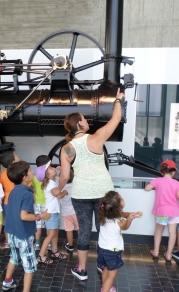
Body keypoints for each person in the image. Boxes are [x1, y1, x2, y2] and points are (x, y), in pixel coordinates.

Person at [55, 87, 125, 281]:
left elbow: (65, 176)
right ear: (80, 123)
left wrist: (57, 189)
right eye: (84, 119)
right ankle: (103, 265)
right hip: (104, 192)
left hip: (81, 193)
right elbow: (116, 119)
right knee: (105, 227)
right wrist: (118, 100)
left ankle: (82, 269)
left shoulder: (66, 149)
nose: (87, 121)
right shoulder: (96, 138)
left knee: (84, 230)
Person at [1, 161, 50, 292]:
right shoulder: (27, 194)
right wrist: (42, 216)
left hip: (12, 232)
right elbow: (24, 216)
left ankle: (7, 281)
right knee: (29, 265)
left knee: (14, 258)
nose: (32, 173)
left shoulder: (14, 191)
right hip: (23, 234)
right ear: (24, 177)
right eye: (30, 171)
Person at [97, 191, 142, 292]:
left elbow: (122, 214)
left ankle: (105, 285)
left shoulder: (104, 214)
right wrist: (130, 219)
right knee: (112, 274)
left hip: (102, 249)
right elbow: (126, 226)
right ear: (118, 207)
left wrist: (130, 214)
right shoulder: (119, 221)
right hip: (112, 251)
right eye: (121, 198)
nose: (123, 198)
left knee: (106, 268)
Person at [145, 160, 179, 262]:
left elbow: (147, 188)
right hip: (174, 212)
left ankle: (156, 252)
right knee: (172, 232)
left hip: (162, 211)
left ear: (162, 171)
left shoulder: (158, 180)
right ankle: (169, 254)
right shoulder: (177, 183)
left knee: (158, 231)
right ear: (174, 172)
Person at [37, 162, 67, 264]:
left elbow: (63, 179)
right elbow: (58, 195)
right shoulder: (50, 183)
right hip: (51, 213)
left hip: (53, 212)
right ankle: (41, 255)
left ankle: (54, 251)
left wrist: (62, 171)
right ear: (47, 175)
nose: (53, 168)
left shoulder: (52, 181)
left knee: (54, 233)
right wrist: (65, 192)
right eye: (50, 168)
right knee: (51, 234)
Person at [0, 150, 20, 249]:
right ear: (13, 161)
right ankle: (18, 240)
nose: (18, 155)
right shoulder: (19, 172)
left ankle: (7, 242)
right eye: (16, 155)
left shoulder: (2, 174)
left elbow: (1, 187)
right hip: (18, 200)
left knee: (8, 222)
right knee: (19, 221)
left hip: (7, 201)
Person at [32, 155, 51, 250]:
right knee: (49, 225)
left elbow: (33, 191)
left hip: (37, 204)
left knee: (38, 225)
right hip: (48, 204)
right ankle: (49, 243)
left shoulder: (34, 178)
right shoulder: (48, 177)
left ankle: (37, 244)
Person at [59, 169, 78, 252]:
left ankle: (70, 246)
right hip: (76, 211)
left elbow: (60, 196)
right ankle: (82, 244)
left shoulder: (64, 188)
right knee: (79, 228)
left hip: (66, 213)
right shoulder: (74, 186)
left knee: (69, 230)